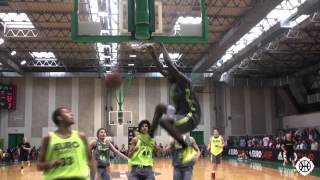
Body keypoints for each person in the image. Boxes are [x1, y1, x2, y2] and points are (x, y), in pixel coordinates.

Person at [147, 43, 201, 163]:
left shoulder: (185, 81)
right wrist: (152, 54)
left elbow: (169, 64)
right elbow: (162, 69)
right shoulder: (174, 81)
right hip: (180, 112)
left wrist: (162, 46)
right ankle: (149, 137)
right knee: (160, 107)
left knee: (164, 121)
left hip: (191, 115)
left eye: (169, 72)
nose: (167, 74)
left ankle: (187, 149)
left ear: (175, 73)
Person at [37, 107, 98, 180]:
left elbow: (90, 159)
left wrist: (97, 174)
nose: (72, 114)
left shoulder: (81, 136)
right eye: (67, 112)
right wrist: (51, 163)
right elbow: (39, 166)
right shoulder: (48, 138)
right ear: (59, 118)